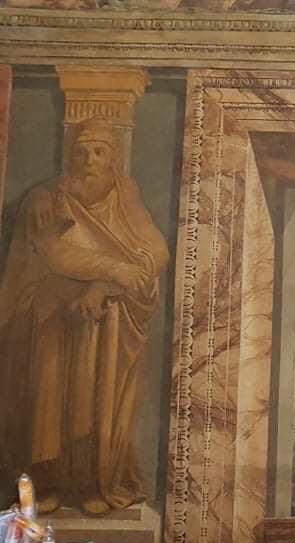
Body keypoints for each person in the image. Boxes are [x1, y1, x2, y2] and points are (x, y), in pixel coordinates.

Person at [0, 117, 169, 516]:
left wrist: (103, 287)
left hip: (105, 325)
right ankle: (48, 483)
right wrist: (115, 270)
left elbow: (156, 252)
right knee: (50, 402)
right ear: (68, 158)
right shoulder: (46, 199)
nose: (89, 160)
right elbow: (55, 254)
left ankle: (95, 483)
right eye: (81, 152)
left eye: (99, 151)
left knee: (96, 401)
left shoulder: (125, 195)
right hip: (52, 319)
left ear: (114, 160)